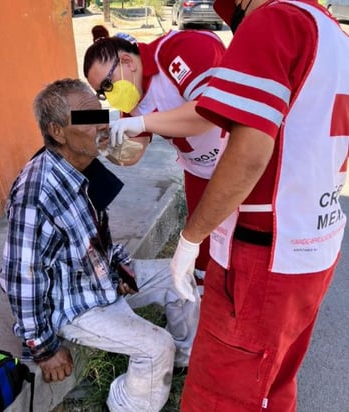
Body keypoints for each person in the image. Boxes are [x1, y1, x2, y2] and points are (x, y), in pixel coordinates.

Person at [109, 0, 349, 410]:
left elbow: (250, 151)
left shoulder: (273, 20)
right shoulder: (331, 33)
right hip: (313, 243)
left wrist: (191, 237)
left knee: (220, 396)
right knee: (272, 386)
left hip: (262, 252)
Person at [0, 78, 199, 412]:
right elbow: (21, 277)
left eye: (100, 114)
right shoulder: (36, 193)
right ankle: (124, 405)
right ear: (58, 132)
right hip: (73, 305)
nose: (102, 125)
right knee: (154, 345)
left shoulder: (83, 165)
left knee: (180, 276)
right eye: (87, 119)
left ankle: (180, 359)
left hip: (100, 279)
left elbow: (94, 236)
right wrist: (43, 349)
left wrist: (118, 265)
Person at [83, 25, 227, 295]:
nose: (110, 96)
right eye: (102, 93)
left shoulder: (180, 50)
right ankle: (206, 308)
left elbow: (210, 112)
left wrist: (142, 122)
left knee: (249, 244)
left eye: (107, 84)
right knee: (205, 255)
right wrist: (105, 146)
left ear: (126, 61)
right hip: (199, 172)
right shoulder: (133, 101)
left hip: (241, 159)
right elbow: (133, 154)